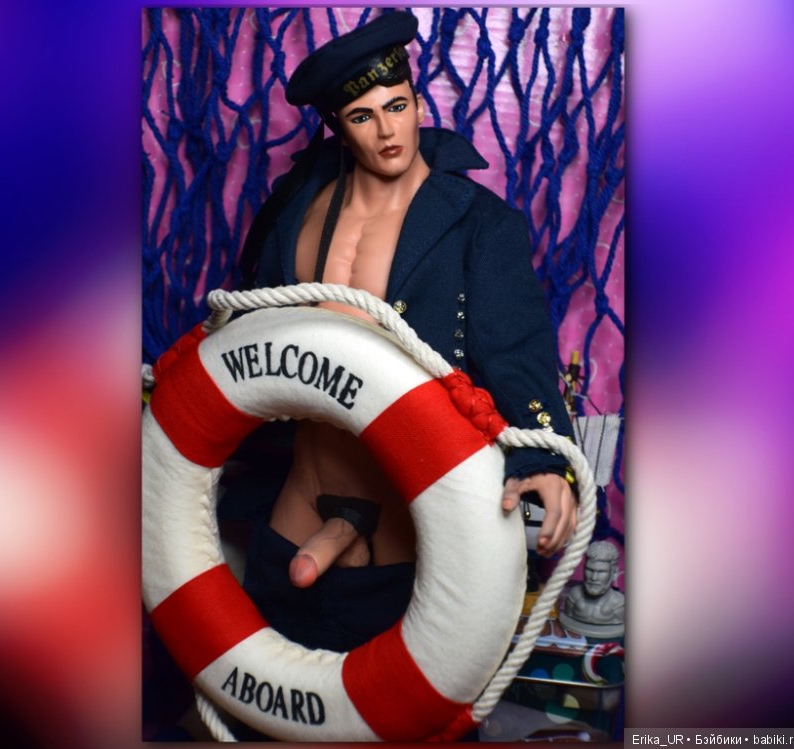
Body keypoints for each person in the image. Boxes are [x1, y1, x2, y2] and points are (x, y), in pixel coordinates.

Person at [239, 11, 577, 655]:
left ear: (420, 103)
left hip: (404, 519)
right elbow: (249, 340)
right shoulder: (291, 212)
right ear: (338, 128)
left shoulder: (479, 224)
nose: (388, 130)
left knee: (394, 703)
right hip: (299, 497)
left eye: (397, 106)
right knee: (259, 691)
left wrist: (544, 458)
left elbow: (514, 350)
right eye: (362, 116)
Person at [559, 540, 625, 638]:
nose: (594, 578)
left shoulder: (619, 603)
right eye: (590, 570)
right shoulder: (574, 595)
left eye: (601, 572)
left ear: (614, 573)